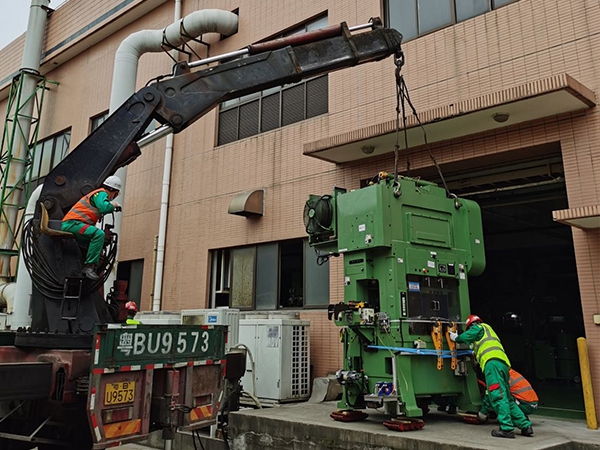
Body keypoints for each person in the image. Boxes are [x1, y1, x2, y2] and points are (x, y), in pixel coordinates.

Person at [449, 315, 533, 439]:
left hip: (492, 364)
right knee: (507, 398)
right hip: (503, 365)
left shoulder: (479, 327)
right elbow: (476, 345)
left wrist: (456, 338)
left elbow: (467, 337)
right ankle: (525, 426)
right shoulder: (488, 332)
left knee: (498, 396)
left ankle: (507, 429)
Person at [61, 175, 122, 281]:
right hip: (72, 224)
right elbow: (103, 208)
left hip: (74, 224)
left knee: (92, 240)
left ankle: (86, 264)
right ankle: (89, 267)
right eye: (116, 195)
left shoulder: (98, 194)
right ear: (114, 191)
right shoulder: (101, 193)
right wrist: (113, 205)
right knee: (98, 234)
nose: (114, 197)